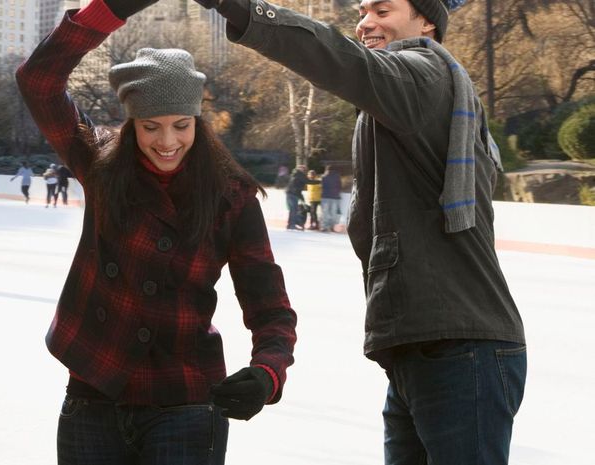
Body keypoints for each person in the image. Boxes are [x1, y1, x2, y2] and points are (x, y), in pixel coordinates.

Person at [197, 0, 526, 462]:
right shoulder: (404, 96)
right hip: (427, 348)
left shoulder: (422, 74)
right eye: (363, 11)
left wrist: (246, 10)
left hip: (461, 351)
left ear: (427, 20)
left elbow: (340, 59)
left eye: (383, 10)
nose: (366, 22)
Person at [15, 1, 297, 463]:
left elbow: (270, 307)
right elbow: (38, 82)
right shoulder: (101, 161)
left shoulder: (231, 195)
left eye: (181, 126)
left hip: (184, 397)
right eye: (151, 127)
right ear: (131, 124)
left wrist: (268, 372)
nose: (167, 142)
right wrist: (104, 12)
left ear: (197, 121)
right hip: (95, 390)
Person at [284, 164, 311, 230]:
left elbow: (297, 187)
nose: (303, 170)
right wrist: (319, 181)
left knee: (293, 210)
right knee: (294, 210)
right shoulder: (299, 175)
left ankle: (290, 224)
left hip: (291, 194)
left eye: (304, 169)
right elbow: (308, 181)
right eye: (302, 168)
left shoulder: (295, 174)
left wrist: (302, 198)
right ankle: (292, 225)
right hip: (292, 195)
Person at [320, 165, 342, 232]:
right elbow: (339, 186)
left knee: (325, 213)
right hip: (335, 197)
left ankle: (325, 227)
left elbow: (322, 186)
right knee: (333, 213)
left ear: (327, 170)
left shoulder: (323, 177)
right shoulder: (337, 176)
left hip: (325, 197)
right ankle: (332, 227)